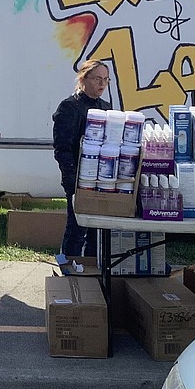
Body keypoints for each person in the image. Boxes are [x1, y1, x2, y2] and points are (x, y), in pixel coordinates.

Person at [52, 60, 112, 257]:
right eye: (97, 79)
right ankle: (68, 269)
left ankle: (92, 270)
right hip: (77, 178)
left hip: (101, 179)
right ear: (83, 78)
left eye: (105, 79)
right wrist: (71, 181)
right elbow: (62, 148)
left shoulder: (106, 107)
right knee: (77, 228)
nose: (102, 84)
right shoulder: (69, 107)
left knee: (98, 231)